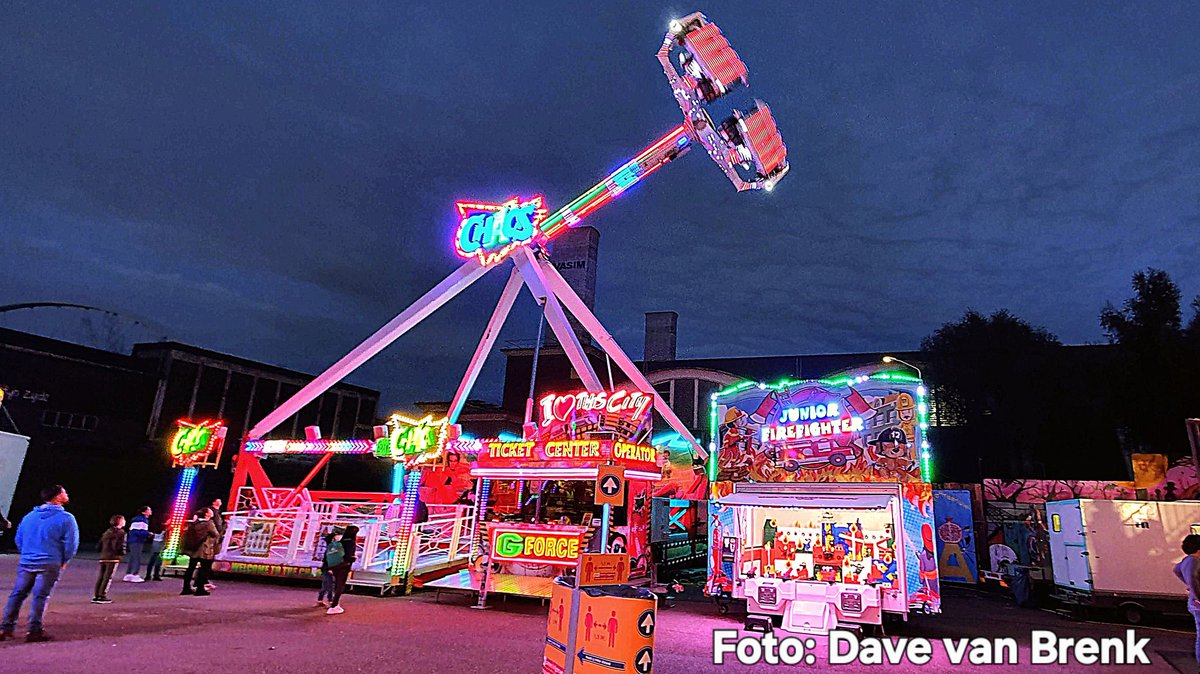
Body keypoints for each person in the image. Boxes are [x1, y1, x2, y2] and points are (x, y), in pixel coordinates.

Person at [1, 485, 80, 642]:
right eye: (64, 492)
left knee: (17, 594)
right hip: (50, 562)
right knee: (40, 596)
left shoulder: (30, 516)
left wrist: (27, 554)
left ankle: (5, 628)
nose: (67, 494)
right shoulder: (66, 518)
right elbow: (71, 544)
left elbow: (19, 538)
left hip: (27, 561)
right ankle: (34, 631)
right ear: (57, 497)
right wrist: (65, 560)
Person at [1173, 534, 1200, 667]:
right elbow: (1193, 580)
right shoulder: (1193, 561)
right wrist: (1198, 596)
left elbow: (1176, 570)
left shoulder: (1186, 560)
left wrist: (1188, 585)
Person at [180, 508, 219, 597]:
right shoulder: (209, 524)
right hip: (205, 549)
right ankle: (200, 589)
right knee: (204, 569)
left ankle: (186, 588)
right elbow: (216, 534)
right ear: (206, 514)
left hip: (194, 549)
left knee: (190, 569)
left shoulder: (194, 523)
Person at [94, 515, 126, 604]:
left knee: (101, 576)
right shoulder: (121, 533)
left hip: (104, 556)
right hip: (113, 557)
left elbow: (99, 545)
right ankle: (102, 595)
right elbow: (120, 545)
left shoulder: (107, 532)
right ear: (120, 522)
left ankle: (97, 595)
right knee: (108, 577)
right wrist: (121, 553)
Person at [326, 524, 358, 615]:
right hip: (344, 566)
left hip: (335, 565)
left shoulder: (342, 541)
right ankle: (334, 605)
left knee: (337, 584)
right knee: (340, 585)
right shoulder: (351, 542)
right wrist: (353, 558)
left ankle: (333, 602)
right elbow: (349, 556)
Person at [122, 506, 151, 583]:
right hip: (136, 541)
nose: (150, 511)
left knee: (133, 557)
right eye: (149, 510)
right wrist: (148, 534)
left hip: (135, 540)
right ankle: (134, 574)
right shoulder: (140, 520)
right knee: (136, 557)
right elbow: (136, 531)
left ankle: (129, 574)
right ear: (144, 512)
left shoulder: (141, 520)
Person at [317, 529, 344, 608]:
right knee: (330, 585)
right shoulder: (333, 548)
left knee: (326, 585)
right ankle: (330, 600)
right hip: (329, 569)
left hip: (328, 568)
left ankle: (320, 599)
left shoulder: (333, 547)